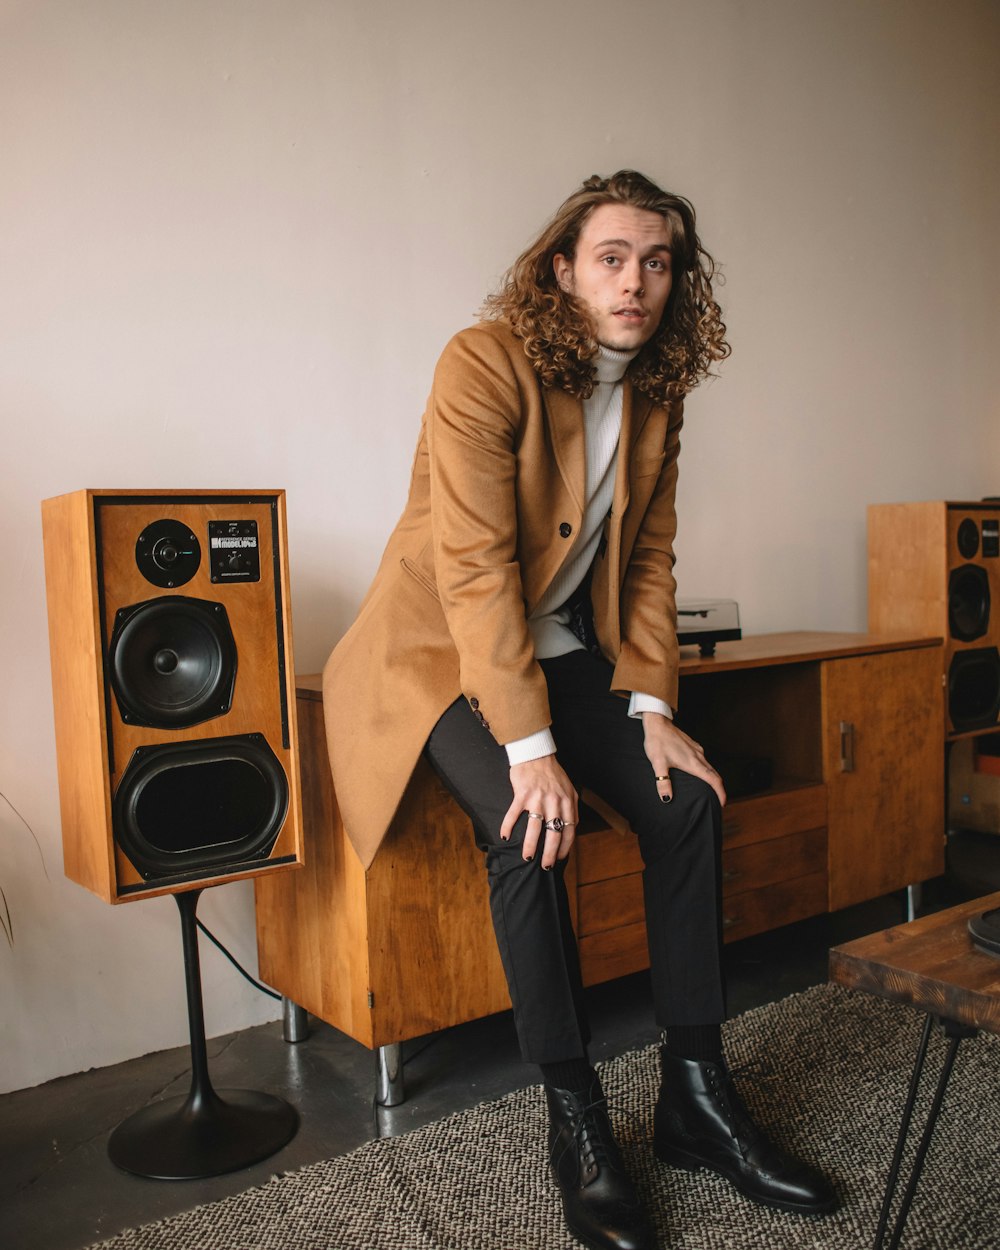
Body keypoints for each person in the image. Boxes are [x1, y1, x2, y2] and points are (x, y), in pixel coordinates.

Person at [322, 170, 836, 1250]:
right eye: (611, 256)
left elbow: (646, 557)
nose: (635, 281)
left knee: (686, 797)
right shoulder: (482, 362)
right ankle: (578, 1122)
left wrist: (649, 702)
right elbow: (470, 567)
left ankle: (696, 1097)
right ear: (561, 267)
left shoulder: (656, 389)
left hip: (558, 648)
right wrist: (528, 745)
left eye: (656, 261)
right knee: (532, 825)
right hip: (438, 654)